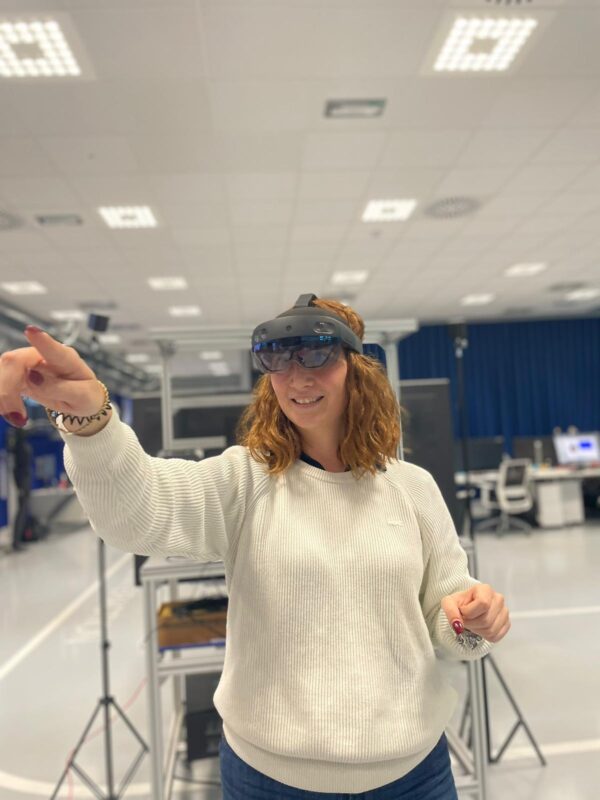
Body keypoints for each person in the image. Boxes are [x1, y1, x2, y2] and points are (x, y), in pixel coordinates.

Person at [0, 295, 510, 799]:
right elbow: (137, 513)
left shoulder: (413, 487)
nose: (297, 377)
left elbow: (448, 612)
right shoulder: (245, 480)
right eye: (279, 360)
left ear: (356, 369)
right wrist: (91, 422)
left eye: (316, 355)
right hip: (271, 779)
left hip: (414, 774)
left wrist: (473, 618)